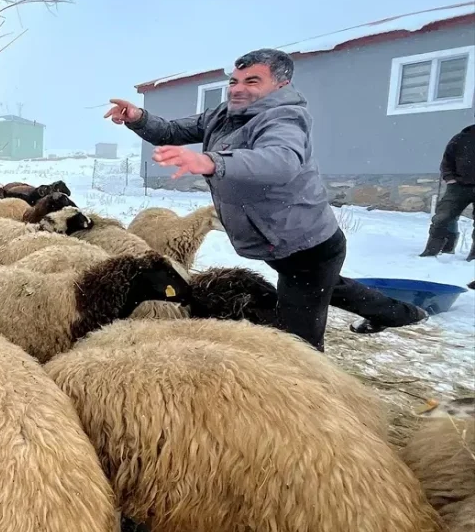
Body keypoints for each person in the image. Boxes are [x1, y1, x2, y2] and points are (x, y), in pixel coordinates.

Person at [106, 48, 426, 351]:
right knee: (328, 287)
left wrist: (213, 162)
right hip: (278, 241)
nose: (237, 88)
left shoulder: (284, 120)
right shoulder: (224, 115)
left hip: (307, 245)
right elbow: (172, 131)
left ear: (281, 84)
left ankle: (310, 394)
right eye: (234, 80)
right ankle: (398, 313)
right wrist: (138, 117)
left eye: (252, 81)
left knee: (298, 341)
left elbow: (280, 161)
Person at [419, 124, 474, 261]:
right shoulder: (461, 138)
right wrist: (450, 178)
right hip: (459, 186)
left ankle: (473, 258)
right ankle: (434, 251)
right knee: (442, 217)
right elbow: (446, 161)